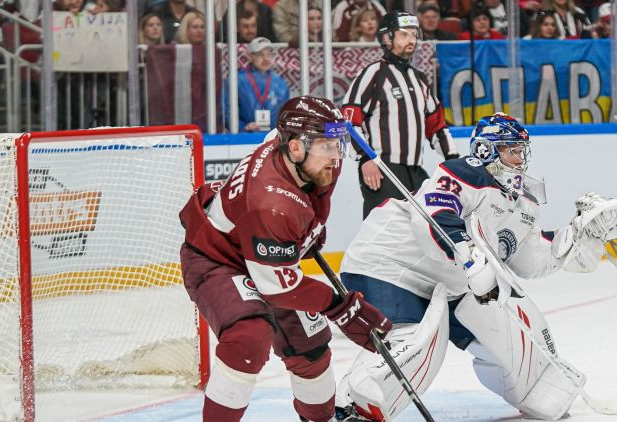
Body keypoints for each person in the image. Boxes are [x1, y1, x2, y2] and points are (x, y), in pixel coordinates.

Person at [333, 113, 617, 421]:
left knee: (510, 346)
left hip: (450, 280)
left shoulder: (523, 202)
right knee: (415, 340)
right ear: (484, 150)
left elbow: (530, 260)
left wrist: (574, 236)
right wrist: (468, 255)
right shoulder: (465, 172)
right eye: (510, 149)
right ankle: (352, 404)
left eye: (521, 150)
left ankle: (537, 391)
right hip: (390, 263)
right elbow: (436, 214)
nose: (519, 158)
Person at [179, 96, 393, 421]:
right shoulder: (271, 202)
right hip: (219, 259)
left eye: (339, 145)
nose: (337, 158)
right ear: (295, 148)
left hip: (265, 252)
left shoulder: (303, 154)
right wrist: (342, 307)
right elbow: (279, 288)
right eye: (327, 146)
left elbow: (311, 195)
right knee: (248, 338)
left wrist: (310, 230)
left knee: (311, 346)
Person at [341, 11, 458, 219]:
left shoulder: (419, 79)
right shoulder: (373, 74)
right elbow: (348, 121)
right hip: (383, 168)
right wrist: (366, 159)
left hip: (415, 170)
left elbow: (437, 125)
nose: (411, 40)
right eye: (404, 34)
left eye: (414, 34)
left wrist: (454, 161)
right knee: (383, 231)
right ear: (387, 38)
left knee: (425, 229)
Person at [225, 37, 290, 132]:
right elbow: (226, 112)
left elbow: (286, 113)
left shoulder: (280, 82)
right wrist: (243, 127)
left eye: (269, 54)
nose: (266, 58)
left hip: (274, 137)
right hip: (245, 139)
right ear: (251, 56)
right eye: (261, 54)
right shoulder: (237, 80)